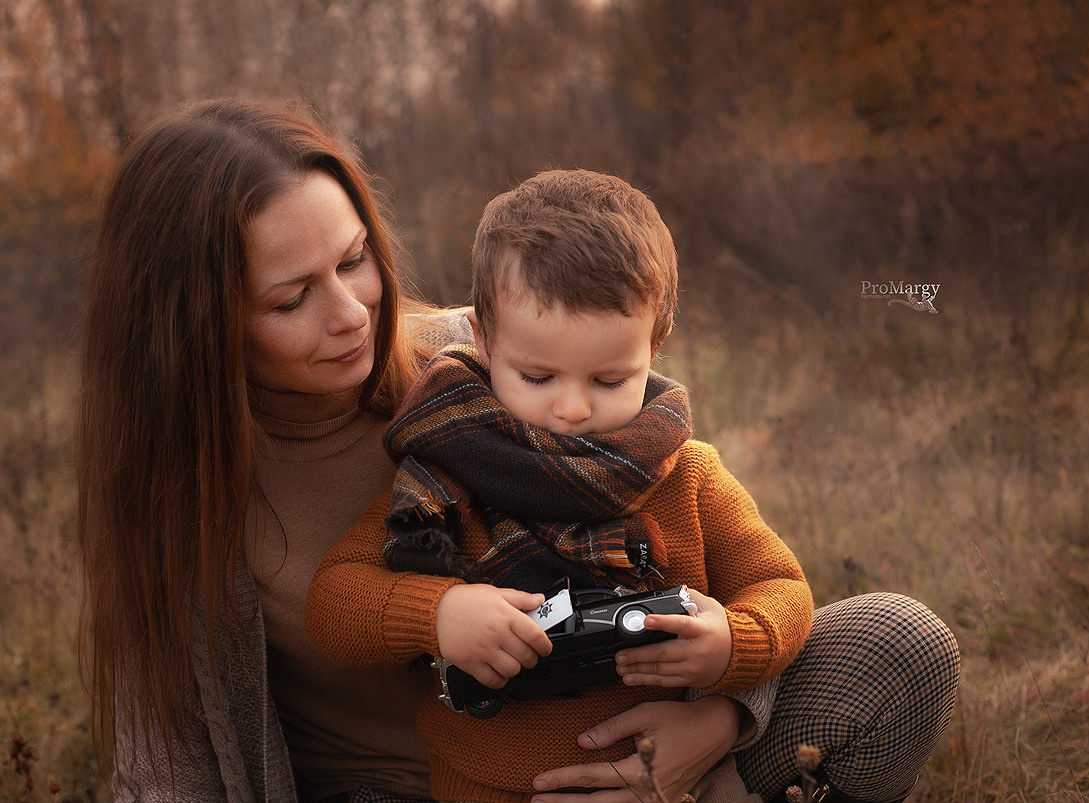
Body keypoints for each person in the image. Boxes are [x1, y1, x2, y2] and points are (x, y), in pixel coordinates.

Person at [75, 99, 774, 803]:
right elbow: (172, 770)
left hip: (631, 742)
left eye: (354, 260)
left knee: (882, 642)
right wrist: (436, 612)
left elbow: (725, 563)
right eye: (291, 299)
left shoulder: (481, 363)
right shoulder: (176, 509)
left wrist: (718, 720)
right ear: (197, 324)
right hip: (414, 787)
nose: (352, 313)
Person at [306, 170, 961, 803]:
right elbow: (334, 602)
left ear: (657, 343)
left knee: (905, 640)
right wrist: (441, 611)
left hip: (682, 778)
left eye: (608, 379)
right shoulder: (444, 471)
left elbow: (783, 586)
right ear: (480, 338)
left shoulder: (688, 474)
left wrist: (733, 644)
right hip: (493, 787)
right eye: (537, 377)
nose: (570, 408)